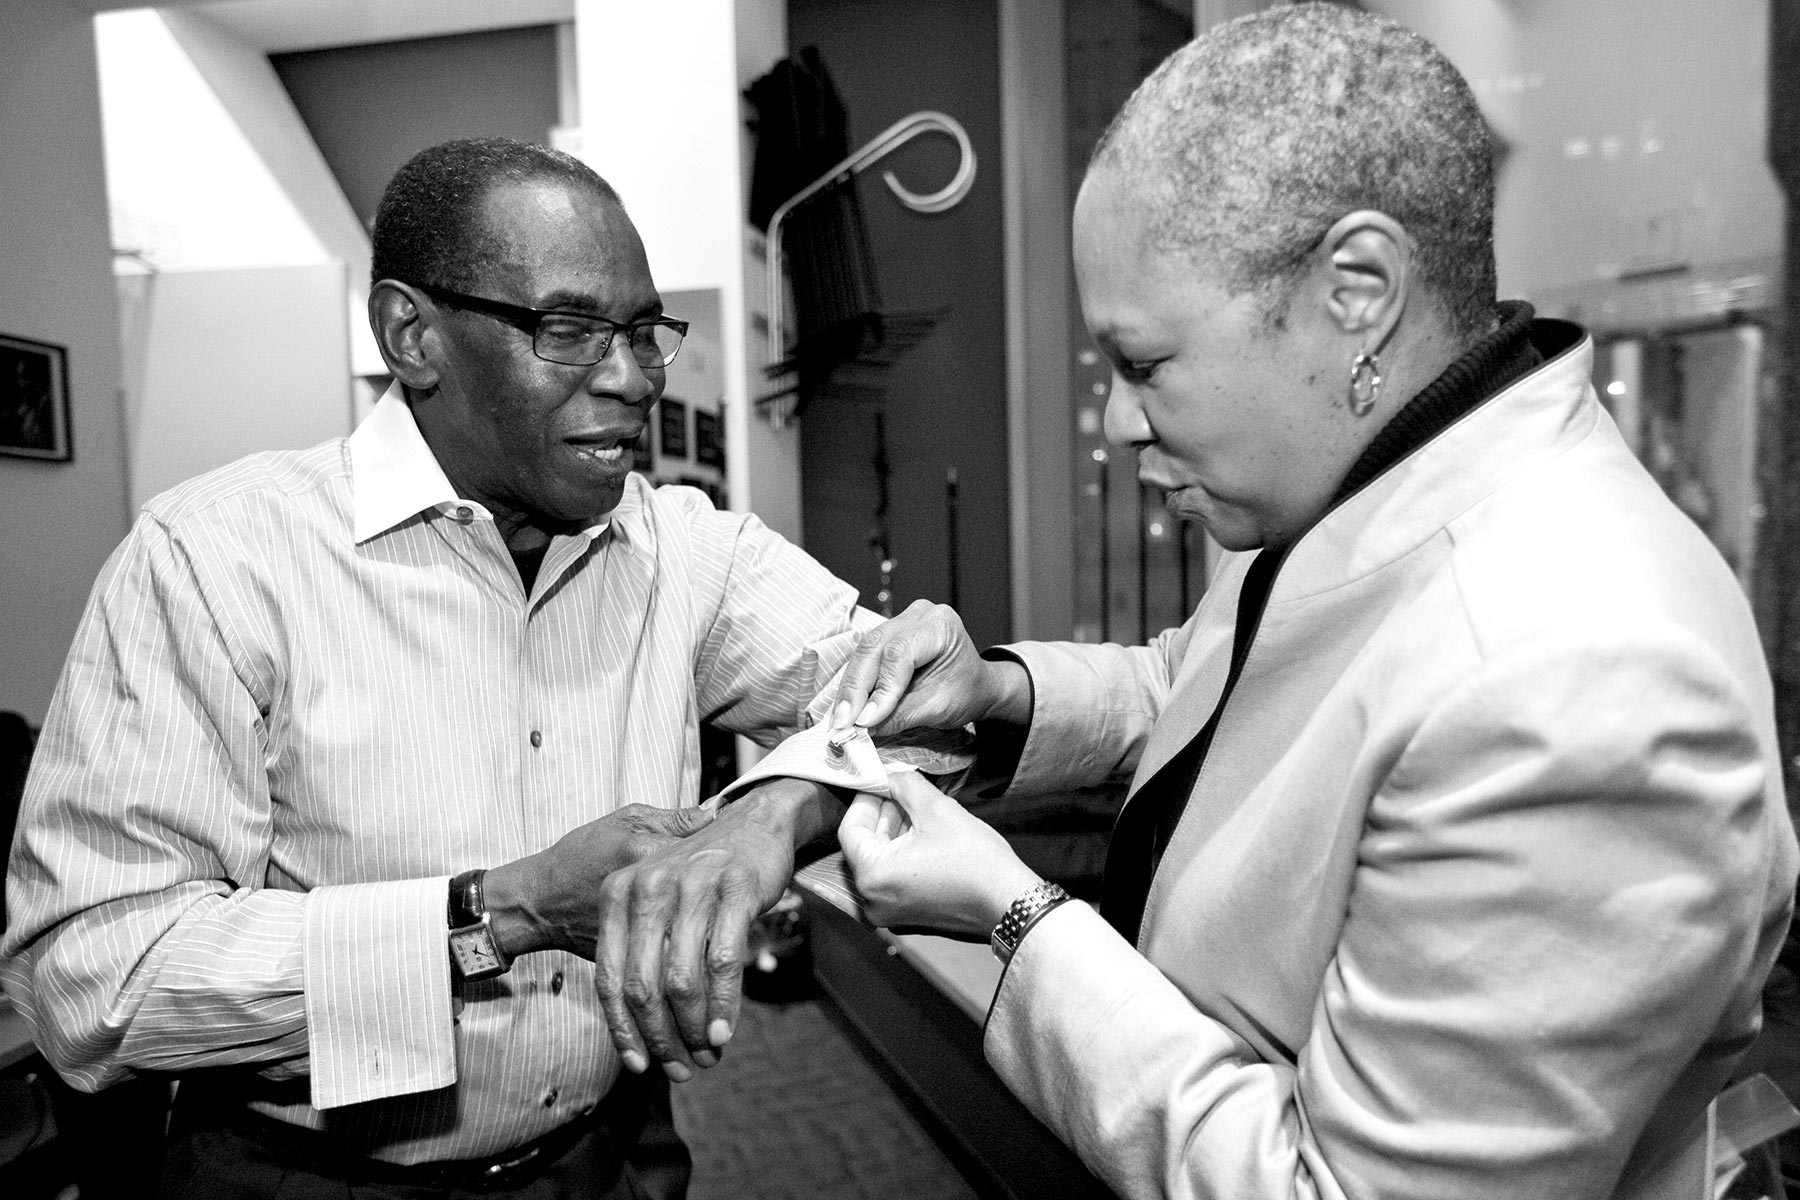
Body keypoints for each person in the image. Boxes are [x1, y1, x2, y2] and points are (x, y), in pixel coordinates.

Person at [830, 7, 1799, 1199]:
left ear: (1358, 291)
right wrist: (1001, 697)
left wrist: (1016, 917)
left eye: (1144, 365)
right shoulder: (1356, 476)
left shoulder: (1582, 679)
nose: (1122, 421)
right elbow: (1207, 690)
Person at [0, 136, 876, 1199]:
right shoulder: (214, 559)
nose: (633, 377)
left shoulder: (687, 551)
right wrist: (501, 913)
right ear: (412, 334)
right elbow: (92, 980)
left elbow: (922, 707)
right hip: (309, 1175)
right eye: (569, 330)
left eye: (647, 333)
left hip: (612, 1154)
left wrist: (763, 822)